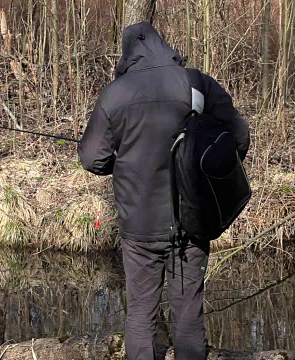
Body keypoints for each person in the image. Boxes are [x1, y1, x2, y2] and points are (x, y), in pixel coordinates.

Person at [78, 22, 249, 360]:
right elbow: (238, 138)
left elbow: (91, 158)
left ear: (129, 54)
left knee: (141, 313)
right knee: (188, 315)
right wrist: (206, 172)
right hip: (191, 218)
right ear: (163, 45)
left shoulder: (116, 93)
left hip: (139, 225)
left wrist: (121, 162)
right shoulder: (195, 83)